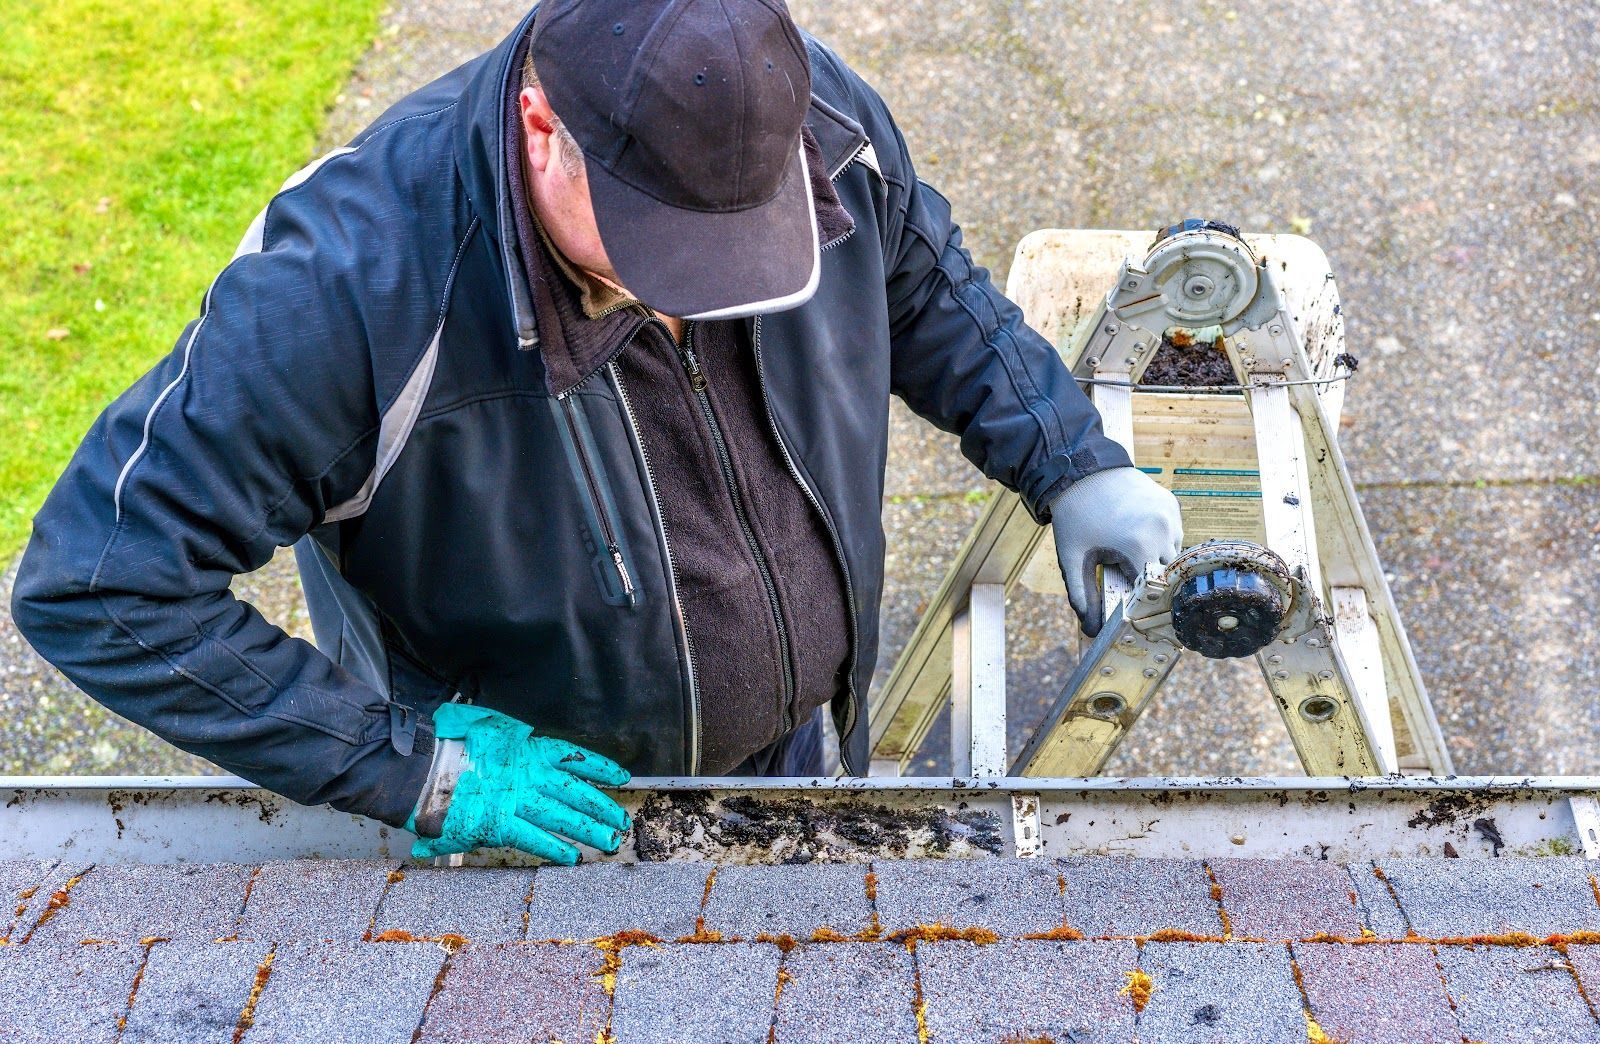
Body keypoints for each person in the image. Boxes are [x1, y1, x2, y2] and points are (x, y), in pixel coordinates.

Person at [12, 0, 1182, 864]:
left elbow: (917, 285)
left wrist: (1067, 456)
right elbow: (100, 585)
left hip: (786, 760)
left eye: (739, 259)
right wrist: (408, 767)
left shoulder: (796, 113)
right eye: (661, 250)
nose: (695, 302)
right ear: (539, 125)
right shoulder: (346, 294)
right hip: (530, 813)